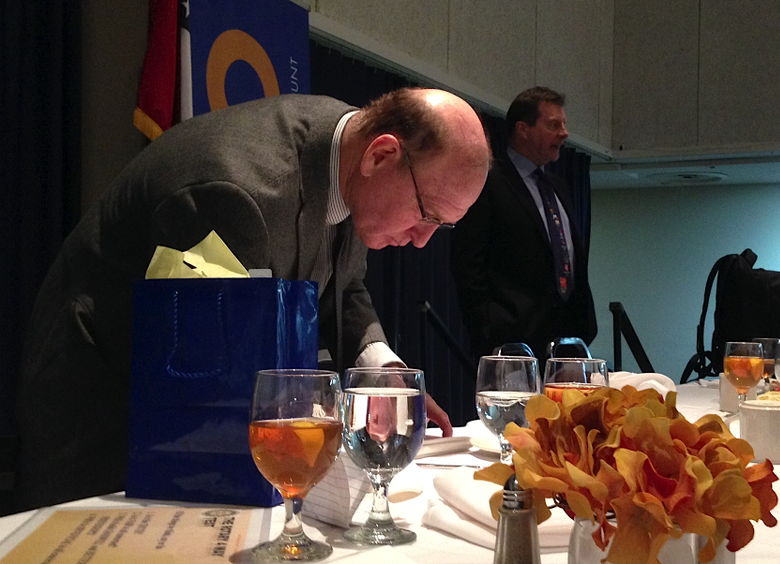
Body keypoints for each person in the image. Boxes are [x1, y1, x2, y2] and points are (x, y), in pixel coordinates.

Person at [15, 88, 491, 511]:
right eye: (426, 214)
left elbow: (343, 286)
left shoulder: (350, 157)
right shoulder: (239, 192)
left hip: (187, 406)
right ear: (381, 155)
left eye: (441, 227)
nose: (423, 240)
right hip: (102, 410)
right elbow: (223, 377)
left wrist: (380, 371)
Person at [451, 86, 596, 364]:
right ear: (523, 129)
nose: (564, 133)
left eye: (564, 125)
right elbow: (467, 265)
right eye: (554, 125)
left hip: (569, 343)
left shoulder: (559, 187)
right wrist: (488, 332)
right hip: (511, 344)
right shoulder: (487, 181)